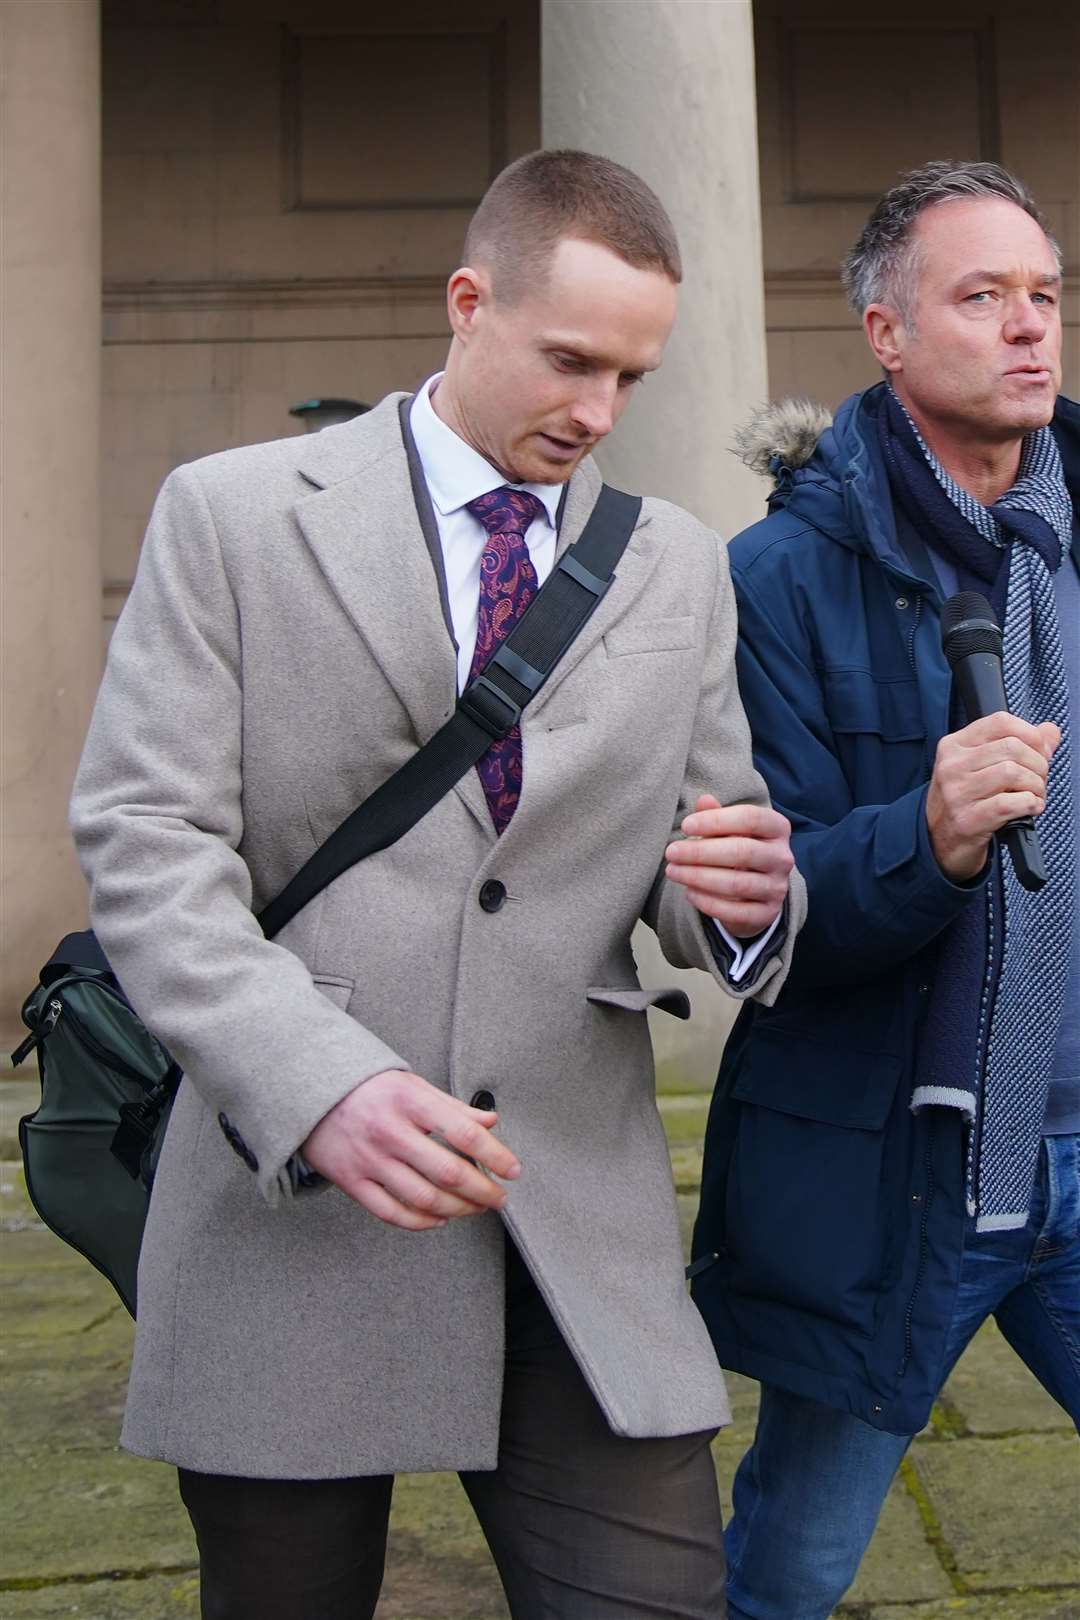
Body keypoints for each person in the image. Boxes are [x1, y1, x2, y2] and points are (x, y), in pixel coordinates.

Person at [71, 149, 803, 1620]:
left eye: (632, 379)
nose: (597, 412)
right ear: (469, 304)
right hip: (291, 1185)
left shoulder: (674, 562)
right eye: (572, 360)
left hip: (569, 1209)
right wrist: (319, 1085)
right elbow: (150, 840)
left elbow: (703, 843)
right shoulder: (231, 512)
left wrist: (741, 898)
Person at [690, 159, 1080, 1620]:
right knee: (788, 1567)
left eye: (1045, 295)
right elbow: (763, 922)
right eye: (982, 297)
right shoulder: (777, 579)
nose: (1031, 328)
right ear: (886, 333)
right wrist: (924, 834)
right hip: (896, 1163)